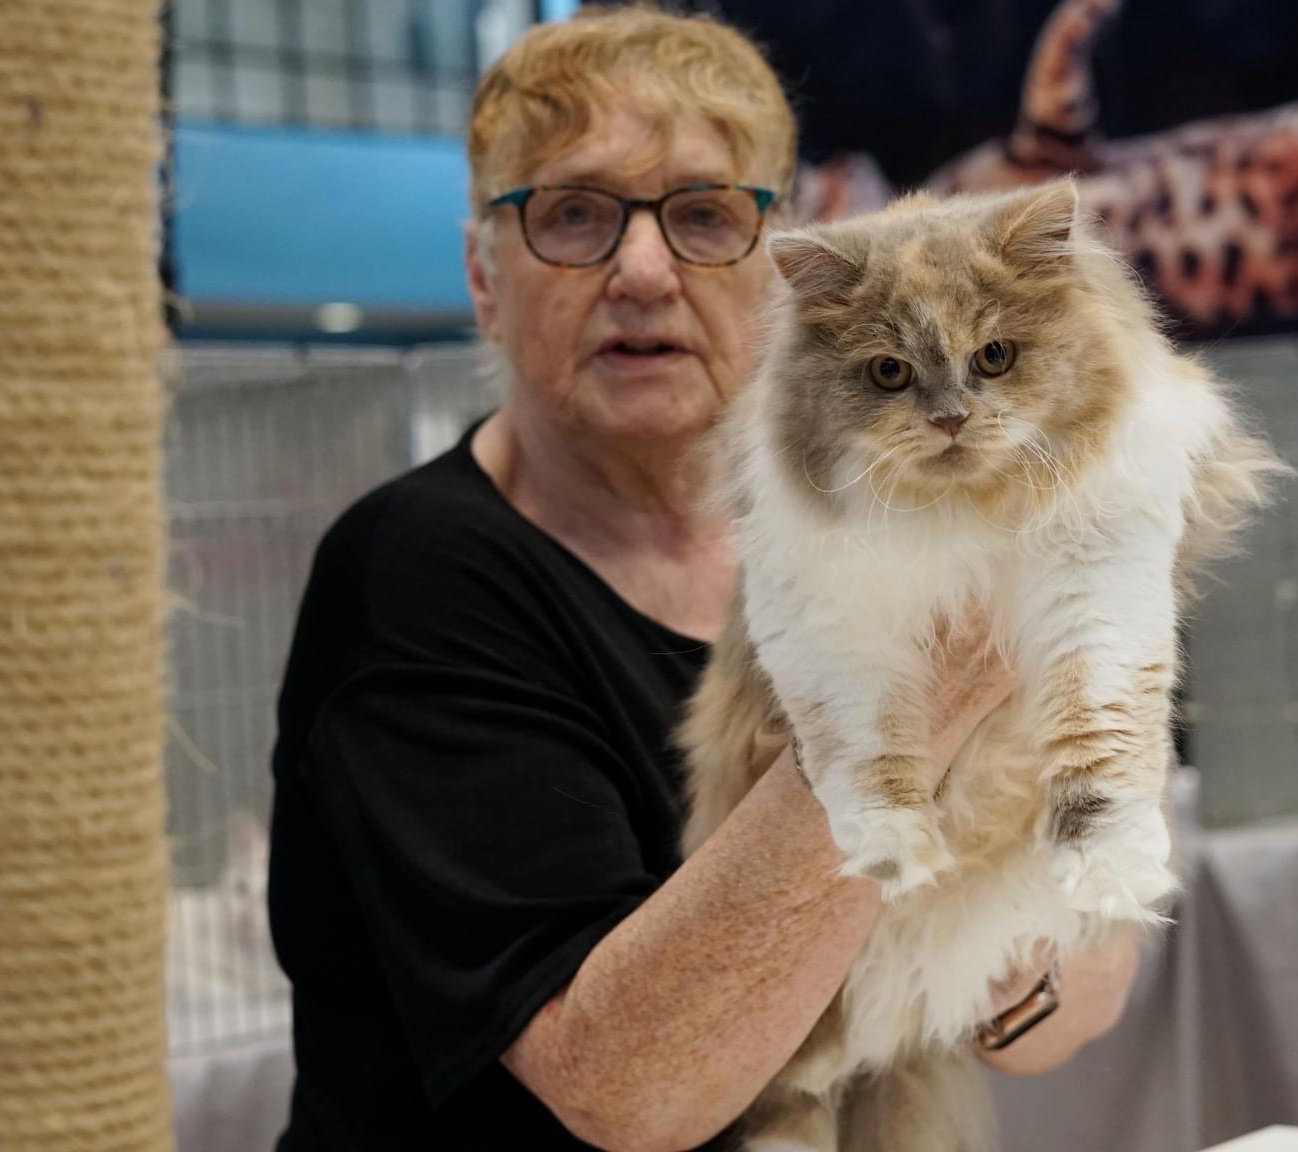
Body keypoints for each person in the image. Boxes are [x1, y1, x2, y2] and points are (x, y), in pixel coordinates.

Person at [265, 8, 1142, 1151]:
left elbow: (1065, 1001)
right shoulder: (418, 572)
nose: (641, 269)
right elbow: (630, 1090)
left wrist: (1004, 957)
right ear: (485, 280)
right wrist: (939, 679)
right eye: (572, 214)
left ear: (784, 272)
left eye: (704, 215)